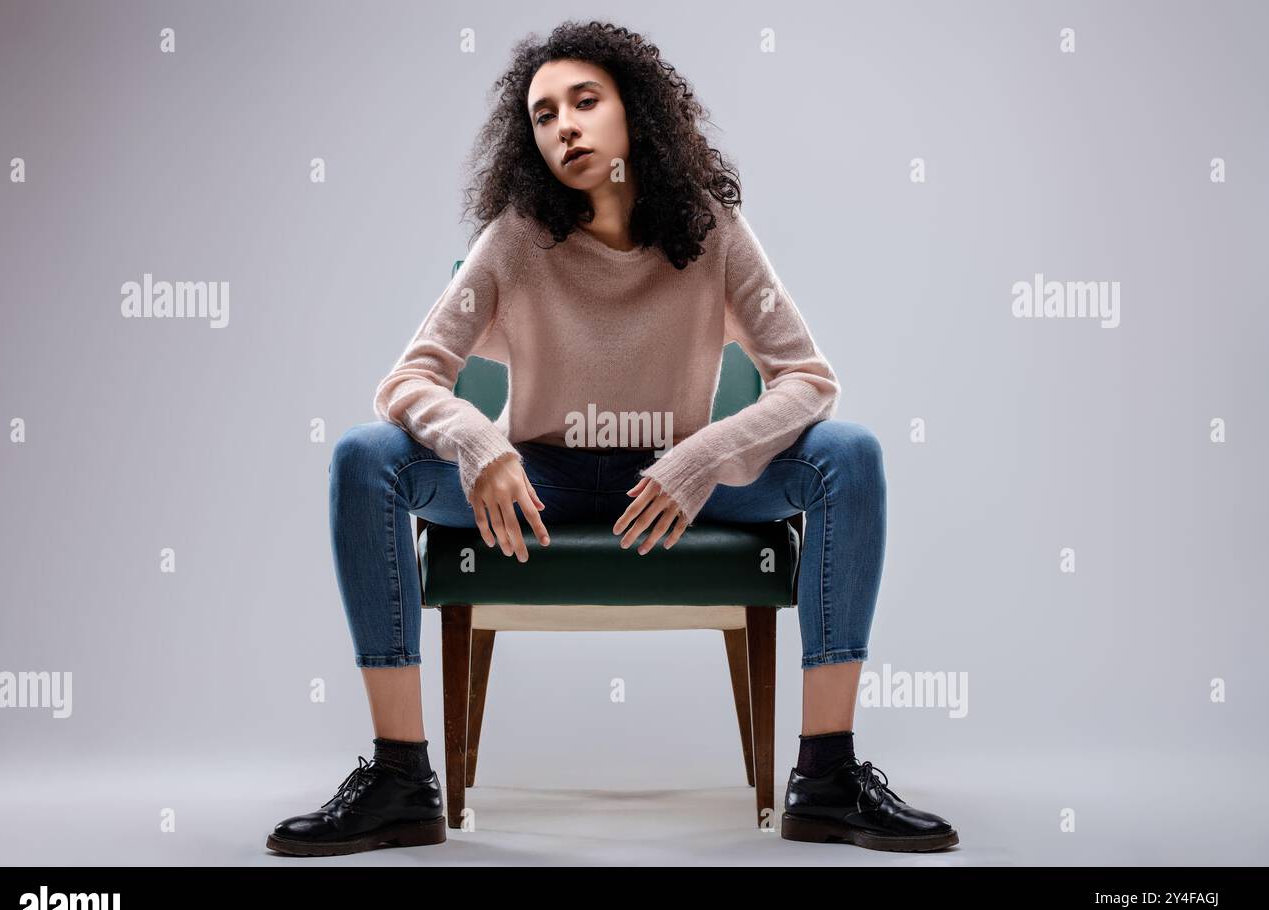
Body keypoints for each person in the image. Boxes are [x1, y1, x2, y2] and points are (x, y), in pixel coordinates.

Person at [266, 19, 958, 857]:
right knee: (362, 456)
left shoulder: (711, 231)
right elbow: (407, 380)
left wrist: (702, 458)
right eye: (543, 113)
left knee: (849, 454)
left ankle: (828, 778)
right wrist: (480, 445)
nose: (564, 125)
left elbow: (808, 379)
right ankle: (400, 780)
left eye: (584, 101)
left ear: (637, 112)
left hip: (682, 478)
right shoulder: (520, 236)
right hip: (541, 483)